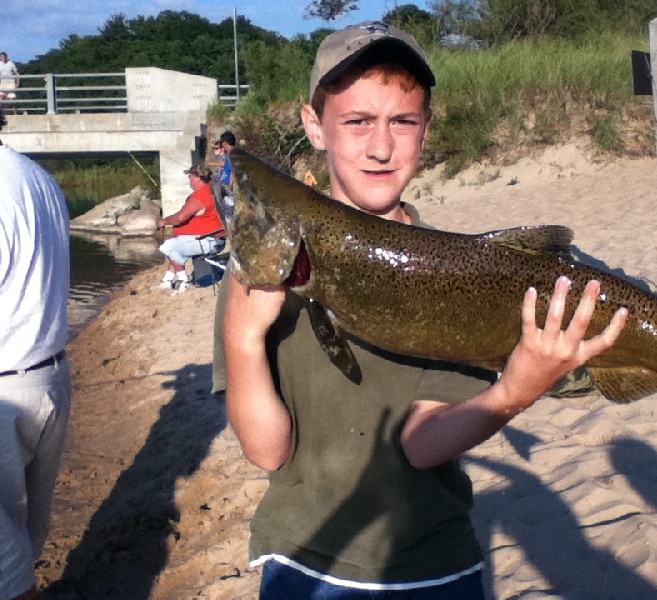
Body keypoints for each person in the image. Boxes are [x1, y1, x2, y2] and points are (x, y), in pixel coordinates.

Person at [222, 22, 628, 598]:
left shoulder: (453, 275)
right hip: (299, 560)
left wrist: (514, 391)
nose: (381, 146)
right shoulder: (263, 265)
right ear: (315, 126)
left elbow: (420, 442)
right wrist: (242, 337)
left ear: (426, 128)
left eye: (403, 121)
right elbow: (266, 450)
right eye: (357, 121)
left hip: (434, 567)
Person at [0, 108, 72, 600]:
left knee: (7, 564)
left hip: (4, 391)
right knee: (26, 532)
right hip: (49, 378)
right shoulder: (37, 178)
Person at [157, 163, 225, 293]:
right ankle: (168, 279)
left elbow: (180, 218)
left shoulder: (200, 196)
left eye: (190, 176)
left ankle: (183, 281)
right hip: (213, 239)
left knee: (169, 246)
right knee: (176, 247)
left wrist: (164, 221)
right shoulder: (212, 191)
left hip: (208, 241)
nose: (189, 179)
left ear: (197, 178)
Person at [207, 130, 236, 223]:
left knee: (226, 208)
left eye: (222, 143)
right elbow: (225, 164)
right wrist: (212, 163)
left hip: (227, 187)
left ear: (226, 143)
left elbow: (233, 171)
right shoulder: (229, 154)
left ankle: (227, 223)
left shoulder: (233, 154)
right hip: (224, 185)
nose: (222, 145)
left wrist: (231, 186)